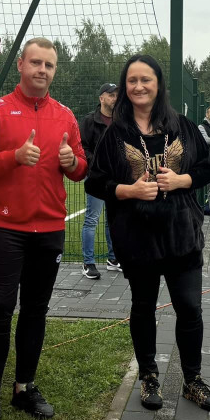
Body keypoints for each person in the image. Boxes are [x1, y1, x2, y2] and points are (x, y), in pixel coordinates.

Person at [0, 37, 87, 420]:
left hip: (49, 229)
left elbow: (80, 168)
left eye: (49, 66)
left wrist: (73, 163)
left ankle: (24, 388)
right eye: (36, 63)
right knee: (0, 307)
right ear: (20, 64)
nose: (43, 71)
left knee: (36, 309)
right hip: (4, 228)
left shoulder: (65, 116)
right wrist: (13, 157)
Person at [86, 55, 210, 413]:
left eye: (146, 79)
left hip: (181, 235)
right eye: (132, 81)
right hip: (137, 237)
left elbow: (208, 166)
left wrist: (183, 180)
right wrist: (129, 190)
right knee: (143, 307)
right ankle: (148, 377)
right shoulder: (116, 133)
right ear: (124, 87)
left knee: (190, 308)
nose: (139, 86)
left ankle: (192, 380)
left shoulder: (183, 126)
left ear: (158, 84)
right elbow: (96, 180)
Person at [79, 83, 122, 279]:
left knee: (114, 218)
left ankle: (113, 259)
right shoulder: (89, 121)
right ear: (101, 98)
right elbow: (82, 147)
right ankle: (88, 263)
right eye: (111, 95)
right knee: (92, 219)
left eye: (116, 95)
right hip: (97, 177)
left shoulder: (121, 120)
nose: (114, 98)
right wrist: (95, 163)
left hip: (116, 178)